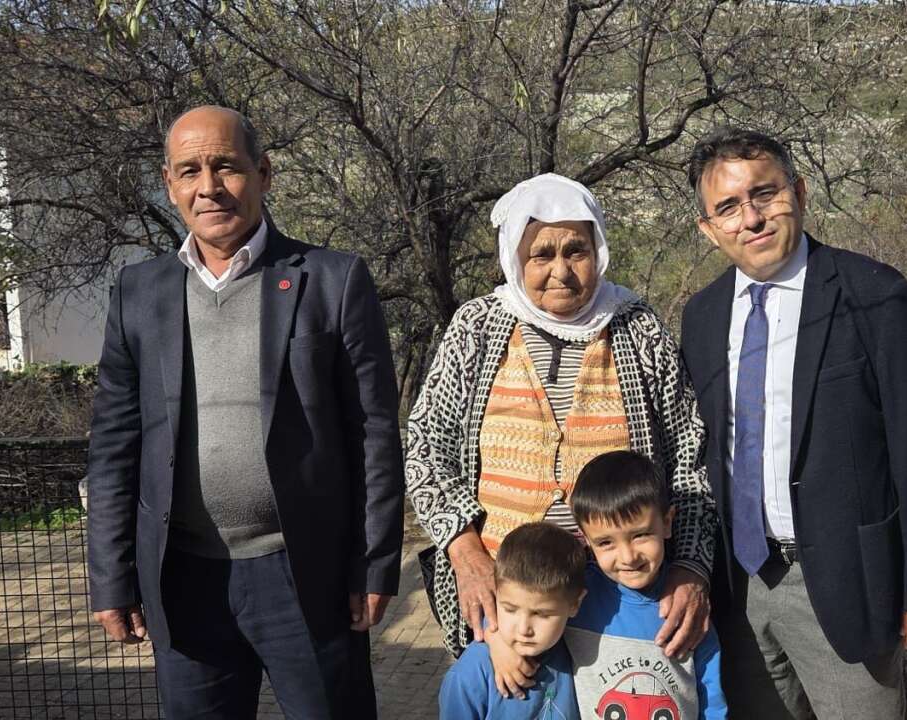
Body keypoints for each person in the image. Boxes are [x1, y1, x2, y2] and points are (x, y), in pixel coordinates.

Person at [86, 106, 405, 718]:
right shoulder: (138, 292)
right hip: (184, 580)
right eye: (190, 171)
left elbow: (374, 435)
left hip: (304, 576)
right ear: (170, 183)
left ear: (262, 172)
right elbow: (112, 447)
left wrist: (374, 565)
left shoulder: (332, 281)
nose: (209, 186)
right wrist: (111, 576)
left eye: (226, 166)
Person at [679, 127, 907, 719]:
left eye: (765, 194)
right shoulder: (703, 316)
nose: (752, 218)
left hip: (845, 581)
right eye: (728, 208)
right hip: (741, 588)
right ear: (708, 229)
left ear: (800, 193)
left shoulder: (876, 297)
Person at [405, 173, 718, 685]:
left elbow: (690, 454)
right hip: (507, 596)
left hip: (623, 593)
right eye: (541, 254)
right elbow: (426, 446)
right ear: (514, 258)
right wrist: (464, 553)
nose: (561, 271)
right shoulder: (478, 327)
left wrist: (690, 564)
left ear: (598, 248)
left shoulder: (637, 328)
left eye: (576, 250)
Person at [565, 450, 727, 719]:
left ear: (667, 522)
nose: (628, 557)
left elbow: (711, 697)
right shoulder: (576, 597)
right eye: (606, 542)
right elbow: (522, 611)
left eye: (640, 535)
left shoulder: (687, 605)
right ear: (585, 539)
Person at [438, 522, 585, 720]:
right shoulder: (469, 675)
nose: (524, 629)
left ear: (575, 604)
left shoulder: (580, 649)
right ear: (495, 595)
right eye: (510, 609)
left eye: (542, 614)